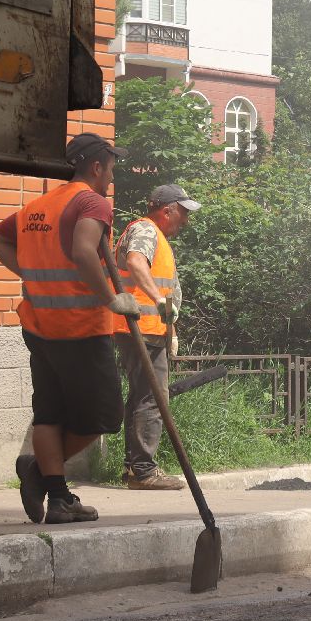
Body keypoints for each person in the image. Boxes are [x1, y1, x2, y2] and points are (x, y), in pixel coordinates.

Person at [0, 134, 140, 525]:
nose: (111, 177)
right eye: (111, 168)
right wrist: (111, 299)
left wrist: (31, 274)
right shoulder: (92, 202)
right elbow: (84, 252)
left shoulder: (38, 206)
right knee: (106, 417)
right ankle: (39, 472)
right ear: (96, 167)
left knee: (49, 413)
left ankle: (58, 498)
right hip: (80, 328)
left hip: (39, 326)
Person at [112, 183, 201, 491]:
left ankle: (134, 468)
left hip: (149, 329)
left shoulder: (154, 235)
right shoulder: (146, 231)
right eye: (183, 213)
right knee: (152, 397)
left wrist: (170, 330)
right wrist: (160, 302)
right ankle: (143, 471)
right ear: (167, 210)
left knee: (143, 395)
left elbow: (164, 289)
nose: (186, 220)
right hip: (141, 328)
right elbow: (136, 262)